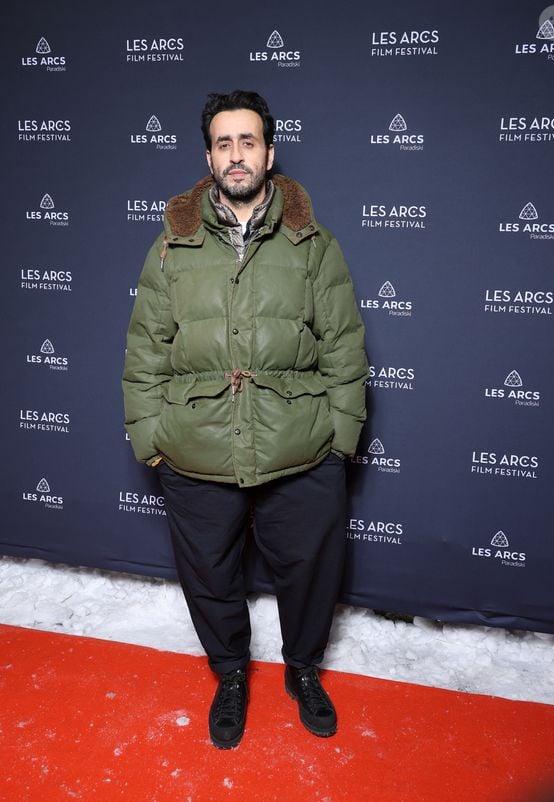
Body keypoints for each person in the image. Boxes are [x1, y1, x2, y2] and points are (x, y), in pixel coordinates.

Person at [122, 90, 367, 749]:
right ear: (209, 156)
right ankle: (230, 674)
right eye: (224, 144)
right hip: (197, 447)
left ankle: (304, 670)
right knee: (209, 575)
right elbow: (146, 346)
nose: (237, 155)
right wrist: (150, 436)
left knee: (312, 571)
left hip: (301, 445)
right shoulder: (172, 245)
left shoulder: (312, 241)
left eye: (248, 142)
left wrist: (340, 437)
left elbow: (343, 344)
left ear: (269, 152)